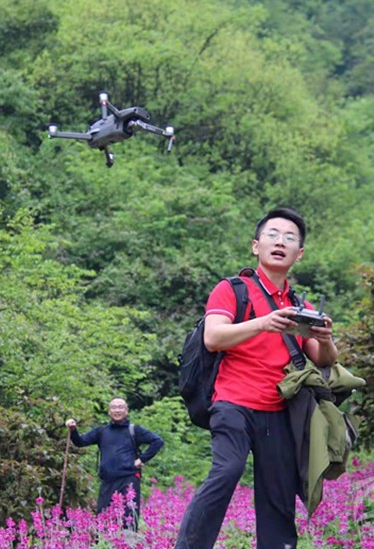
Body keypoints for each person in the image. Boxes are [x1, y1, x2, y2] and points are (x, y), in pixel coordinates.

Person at [175, 207, 338, 549]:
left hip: (278, 410)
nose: (280, 242)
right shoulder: (232, 289)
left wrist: (326, 339)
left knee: (279, 493)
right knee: (227, 471)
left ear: (299, 253)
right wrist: (264, 323)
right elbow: (213, 337)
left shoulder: (298, 304)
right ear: (256, 246)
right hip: (232, 403)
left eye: (290, 238)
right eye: (272, 235)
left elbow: (323, 360)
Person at [66, 397, 164, 530]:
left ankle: (130, 541)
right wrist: (73, 430)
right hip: (108, 481)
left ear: (126, 411)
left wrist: (142, 459)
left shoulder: (134, 430)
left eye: (120, 407)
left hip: (129, 479)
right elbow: (80, 442)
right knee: (103, 520)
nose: (117, 410)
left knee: (129, 520)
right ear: (109, 411)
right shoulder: (101, 431)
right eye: (114, 407)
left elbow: (157, 441)